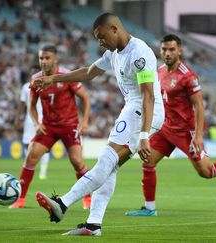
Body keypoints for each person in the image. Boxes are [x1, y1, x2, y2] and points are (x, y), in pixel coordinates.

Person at [32, 13, 165, 236]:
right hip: (134, 108)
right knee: (110, 167)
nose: (100, 43)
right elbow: (88, 72)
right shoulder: (113, 53)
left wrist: (143, 135)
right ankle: (93, 225)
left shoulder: (139, 54)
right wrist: (53, 78)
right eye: (97, 39)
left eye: (101, 37)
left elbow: (148, 96)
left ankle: (62, 204)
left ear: (114, 29)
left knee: (106, 158)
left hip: (143, 109)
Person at [125, 34, 216, 217]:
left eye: (172, 49)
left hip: (186, 133)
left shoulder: (187, 76)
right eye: (164, 49)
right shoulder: (158, 71)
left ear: (180, 51)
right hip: (166, 129)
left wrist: (198, 135)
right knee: (148, 161)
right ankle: (149, 208)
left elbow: (199, 106)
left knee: (208, 172)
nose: (167, 53)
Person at [9, 44, 92, 209]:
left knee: (76, 161)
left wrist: (85, 121)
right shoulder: (36, 80)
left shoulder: (67, 76)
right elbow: (31, 106)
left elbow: (85, 98)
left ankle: (88, 199)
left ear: (55, 59)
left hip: (69, 125)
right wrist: (36, 123)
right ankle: (20, 199)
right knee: (31, 155)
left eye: (47, 58)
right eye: (41, 58)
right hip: (49, 127)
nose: (44, 61)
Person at [17, 74, 50, 180]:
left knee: (44, 146)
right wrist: (19, 118)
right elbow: (22, 104)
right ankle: (30, 169)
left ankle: (43, 172)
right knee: (28, 145)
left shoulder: (47, 85)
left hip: (44, 119)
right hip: (30, 120)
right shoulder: (26, 87)